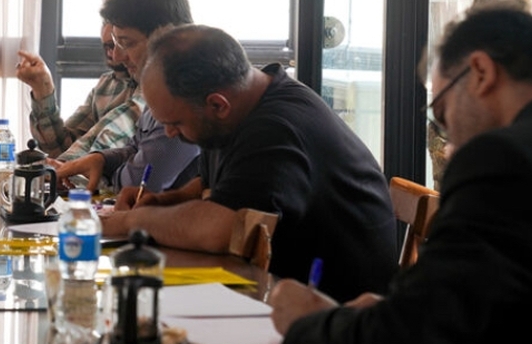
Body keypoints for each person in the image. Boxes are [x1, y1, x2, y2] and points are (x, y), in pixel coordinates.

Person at [269, 7, 532, 344]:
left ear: (481, 72)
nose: (449, 144)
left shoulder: (503, 158)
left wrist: (310, 322)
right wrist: (394, 311)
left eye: (442, 115)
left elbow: (417, 338)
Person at [103, 24, 397, 302]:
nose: (169, 133)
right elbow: (217, 185)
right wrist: (164, 201)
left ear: (218, 104)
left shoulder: (276, 128)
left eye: (175, 123)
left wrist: (131, 222)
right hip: (277, 292)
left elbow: (220, 230)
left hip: (335, 315)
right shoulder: (243, 106)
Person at [56, 0, 201, 194]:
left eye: (127, 43)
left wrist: (106, 173)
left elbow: (137, 183)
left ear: (166, 37)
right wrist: (102, 160)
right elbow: (136, 148)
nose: (118, 56)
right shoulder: (159, 86)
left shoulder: (183, 95)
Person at [17, 0, 140, 160]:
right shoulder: (106, 85)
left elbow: (105, 139)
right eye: (104, 21)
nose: (108, 35)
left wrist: (59, 169)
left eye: (116, 23)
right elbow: (60, 147)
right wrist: (43, 90)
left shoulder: (155, 85)